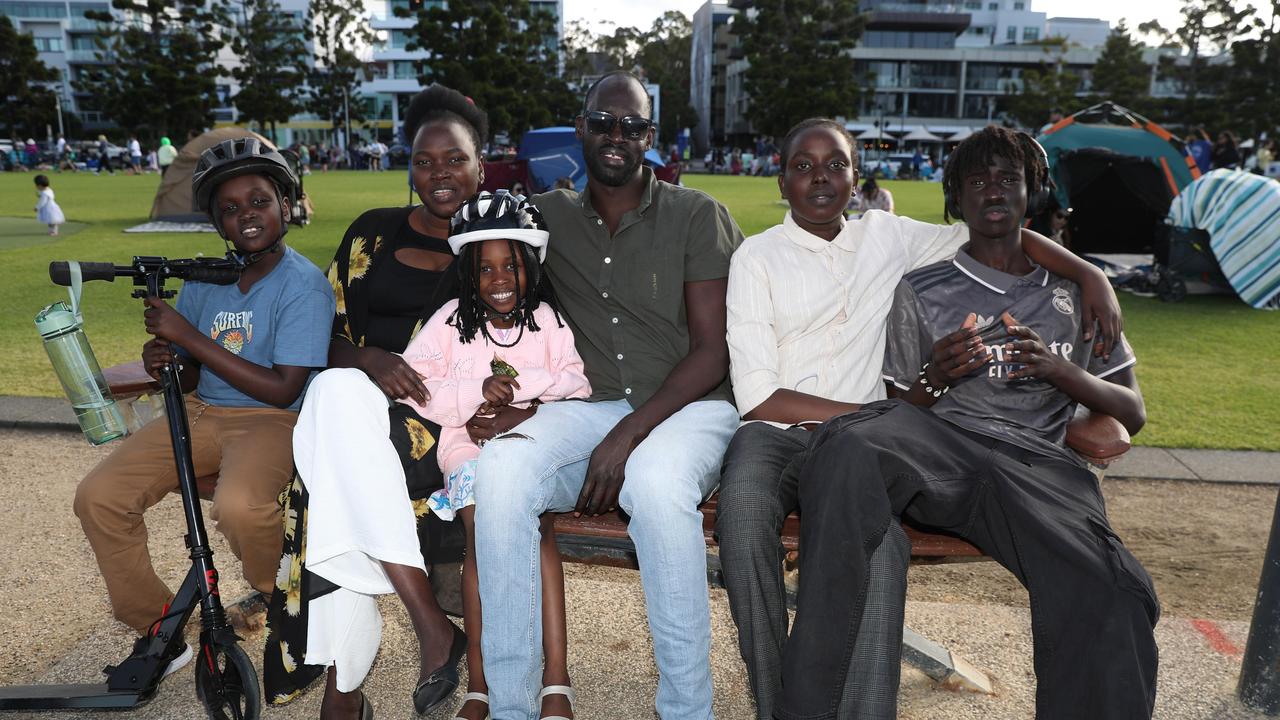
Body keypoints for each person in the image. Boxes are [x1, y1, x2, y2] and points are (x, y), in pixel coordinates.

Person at [719, 119, 1126, 720]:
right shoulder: (756, 258)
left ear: (857, 179)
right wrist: (883, 416)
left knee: (882, 552)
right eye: (803, 166)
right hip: (781, 434)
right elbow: (757, 398)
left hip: (872, 446)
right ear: (781, 180)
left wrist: (1090, 275)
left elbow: (995, 232)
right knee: (744, 505)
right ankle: (777, 699)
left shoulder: (887, 236)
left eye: (836, 164)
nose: (821, 178)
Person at [473, 70, 742, 720]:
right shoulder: (546, 216)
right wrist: (504, 389)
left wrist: (628, 435)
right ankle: (511, 707)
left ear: (650, 137)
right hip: (589, 408)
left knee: (651, 482)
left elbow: (714, 352)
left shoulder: (696, 214)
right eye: (603, 122)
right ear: (581, 128)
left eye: (632, 126)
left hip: (690, 405)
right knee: (502, 471)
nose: (617, 135)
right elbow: (496, 301)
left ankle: (686, 711)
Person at [261, 83, 485, 720]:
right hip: (354, 404)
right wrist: (368, 359)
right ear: (408, 167)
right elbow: (319, 333)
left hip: (437, 421)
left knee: (329, 480)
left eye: (455, 160)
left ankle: (345, 691)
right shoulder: (371, 233)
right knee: (335, 392)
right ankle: (429, 623)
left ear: (481, 165)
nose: (438, 174)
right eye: (423, 161)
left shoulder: (495, 246)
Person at [73, 137, 334, 679]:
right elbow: (192, 370)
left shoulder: (303, 285)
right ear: (217, 223)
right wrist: (167, 357)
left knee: (239, 506)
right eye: (230, 209)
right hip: (199, 409)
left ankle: (278, 594)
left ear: (286, 206)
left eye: (259, 201)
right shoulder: (204, 279)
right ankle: (159, 629)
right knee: (99, 497)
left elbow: (284, 388)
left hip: (271, 419)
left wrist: (187, 333)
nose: (247, 216)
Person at [401, 192, 590, 720]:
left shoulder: (547, 321)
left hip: (533, 448)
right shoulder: (448, 323)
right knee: (481, 543)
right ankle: (481, 686)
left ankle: (556, 679)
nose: (499, 279)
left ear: (530, 267)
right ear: (468, 275)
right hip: (467, 451)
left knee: (540, 536)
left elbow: (576, 383)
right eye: (485, 269)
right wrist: (471, 397)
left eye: (511, 265)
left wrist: (523, 407)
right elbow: (414, 385)